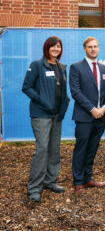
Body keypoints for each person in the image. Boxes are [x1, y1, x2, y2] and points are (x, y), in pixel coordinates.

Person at [22, 36, 70, 203]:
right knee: (42, 149)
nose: (55, 49)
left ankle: (50, 181)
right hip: (41, 114)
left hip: (57, 115)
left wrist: (65, 104)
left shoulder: (62, 67)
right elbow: (26, 87)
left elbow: (62, 90)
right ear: (47, 48)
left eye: (58, 47)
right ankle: (34, 188)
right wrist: (42, 99)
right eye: (52, 47)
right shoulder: (37, 65)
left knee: (54, 149)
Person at [69, 36, 105, 195]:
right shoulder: (76, 67)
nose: (93, 49)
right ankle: (78, 182)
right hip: (84, 116)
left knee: (93, 148)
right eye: (90, 47)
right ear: (84, 49)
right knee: (81, 148)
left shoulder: (104, 68)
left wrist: (104, 108)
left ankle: (88, 178)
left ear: (98, 48)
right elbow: (75, 92)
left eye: (95, 46)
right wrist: (92, 109)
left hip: (101, 116)